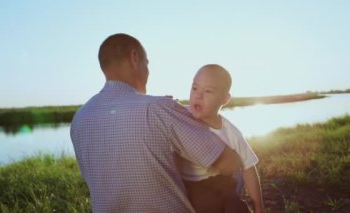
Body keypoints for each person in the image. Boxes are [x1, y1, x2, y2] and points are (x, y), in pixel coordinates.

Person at [70, 33, 242, 212]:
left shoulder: (80, 118)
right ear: (134, 57)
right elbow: (230, 163)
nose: (148, 70)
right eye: (147, 63)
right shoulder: (158, 108)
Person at [177, 64, 264, 212]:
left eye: (208, 91)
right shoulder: (179, 117)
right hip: (189, 186)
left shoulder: (230, 132)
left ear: (225, 99)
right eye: (195, 88)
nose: (198, 95)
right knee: (207, 203)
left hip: (222, 185)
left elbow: (249, 167)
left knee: (237, 207)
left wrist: (259, 208)